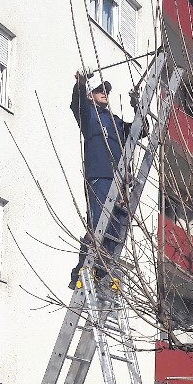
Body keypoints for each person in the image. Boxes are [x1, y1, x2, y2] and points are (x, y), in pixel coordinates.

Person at [68, 70, 140, 290]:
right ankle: (81, 270)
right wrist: (81, 83)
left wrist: (138, 106)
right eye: (100, 90)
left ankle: (102, 271)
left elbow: (140, 130)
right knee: (98, 222)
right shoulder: (89, 115)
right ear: (90, 95)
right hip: (99, 175)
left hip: (119, 181)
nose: (105, 93)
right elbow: (76, 103)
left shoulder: (116, 121)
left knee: (116, 225)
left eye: (106, 90)